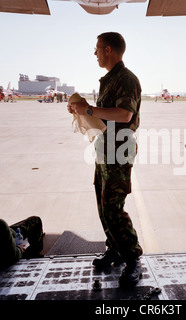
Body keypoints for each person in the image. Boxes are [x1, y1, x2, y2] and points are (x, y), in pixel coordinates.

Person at [67, 32, 143, 286]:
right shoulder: (110, 80)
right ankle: (115, 248)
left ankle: (133, 259)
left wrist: (88, 109)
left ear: (108, 50)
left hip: (119, 151)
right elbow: (104, 118)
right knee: (103, 204)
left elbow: (124, 115)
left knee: (112, 207)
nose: (95, 53)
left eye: (98, 48)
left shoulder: (126, 79)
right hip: (105, 150)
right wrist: (82, 109)